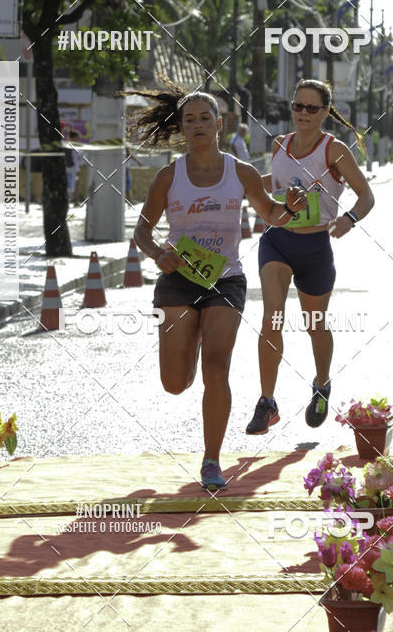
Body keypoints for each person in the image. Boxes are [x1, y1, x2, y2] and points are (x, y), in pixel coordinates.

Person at [130, 84, 307, 491]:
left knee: (217, 367)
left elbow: (272, 215)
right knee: (174, 383)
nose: (197, 125)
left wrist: (291, 208)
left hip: (224, 280)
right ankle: (186, 346)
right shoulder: (168, 176)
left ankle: (212, 460)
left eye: (204, 118)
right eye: (189, 119)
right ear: (181, 128)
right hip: (177, 279)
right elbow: (142, 230)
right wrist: (158, 253)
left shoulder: (240, 173)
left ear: (219, 124)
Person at [245, 79, 375, 435]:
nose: (303, 114)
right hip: (277, 239)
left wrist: (349, 219)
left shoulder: (335, 151)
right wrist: (247, 183)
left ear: (325, 112)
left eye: (311, 108)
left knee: (315, 323)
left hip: (316, 247)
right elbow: (277, 180)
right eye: (297, 106)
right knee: (272, 316)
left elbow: (365, 195)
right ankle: (267, 401)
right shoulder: (279, 144)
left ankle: (321, 383)